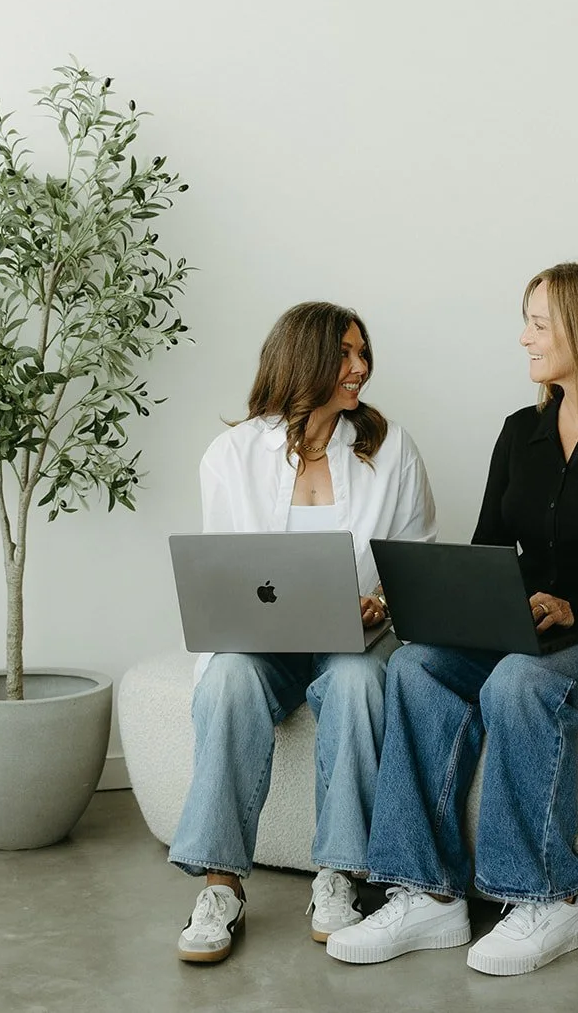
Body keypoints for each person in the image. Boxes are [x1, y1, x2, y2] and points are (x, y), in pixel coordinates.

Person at [325, 261, 578, 975]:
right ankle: (425, 891)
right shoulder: (521, 434)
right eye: (527, 321)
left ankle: (546, 899)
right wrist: (465, 606)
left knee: (519, 684)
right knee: (413, 665)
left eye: (539, 324)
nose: (524, 338)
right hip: (537, 629)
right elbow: (487, 551)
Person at [172, 301, 437, 963]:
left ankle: (338, 876)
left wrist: (381, 602)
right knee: (228, 678)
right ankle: (221, 887)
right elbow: (225, 576)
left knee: (355, 681)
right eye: (344, 354)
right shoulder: (232, 455)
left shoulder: (390, 446)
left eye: (363, 353)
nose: (360, 367)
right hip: (263, 648)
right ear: (303, 361)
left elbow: (419, 561)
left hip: (353, 641)